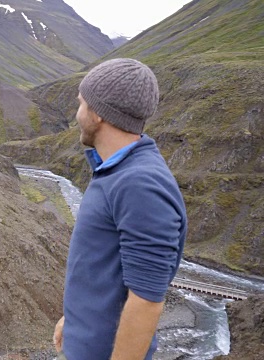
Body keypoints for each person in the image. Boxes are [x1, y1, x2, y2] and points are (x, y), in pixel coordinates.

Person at [53, 58, 187, 360]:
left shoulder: (139, 184)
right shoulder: (118, 171)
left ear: (98, 114)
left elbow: (146, 300)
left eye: (81, 104)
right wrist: (74, 322)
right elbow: (102, 268)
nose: (77, 114)